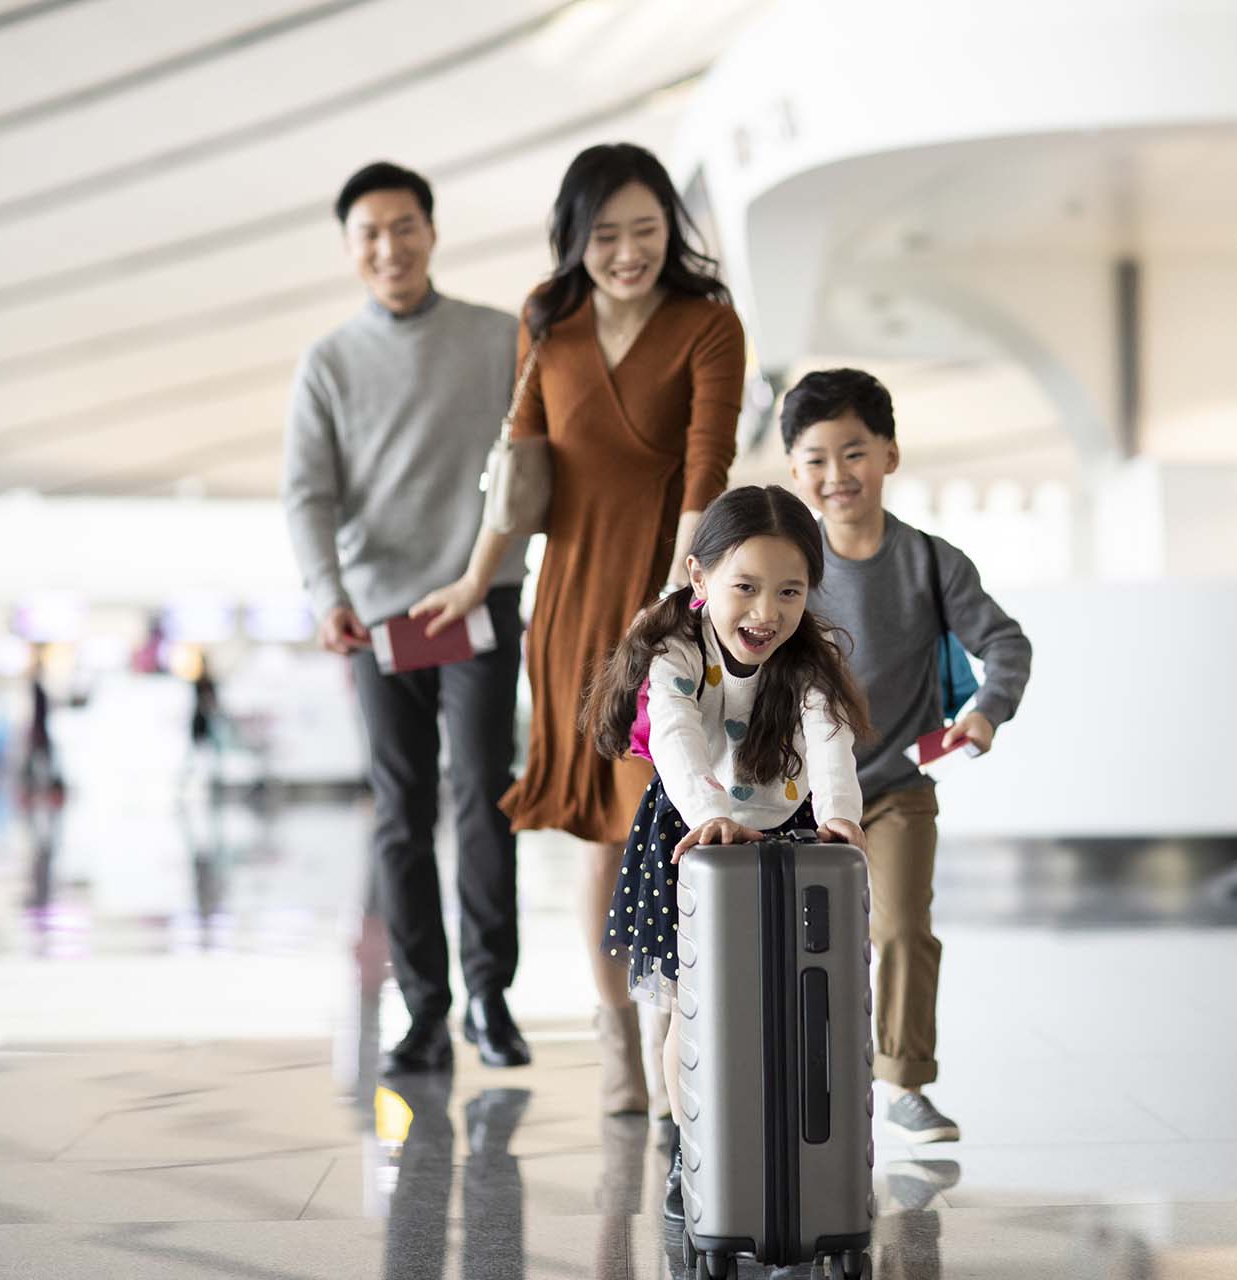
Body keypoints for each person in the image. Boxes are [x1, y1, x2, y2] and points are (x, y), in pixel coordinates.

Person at [412, 142, 745, 1114]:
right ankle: (615, 1034)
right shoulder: (545, 319)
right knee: (602, 828)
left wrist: (679, 599)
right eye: (606, 235)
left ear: (670, 233)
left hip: (666, 599)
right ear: (575, 239)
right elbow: (518, 466)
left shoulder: (707, 323)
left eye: (647, 231)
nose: (629, 252)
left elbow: (705, 467)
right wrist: (477, 577)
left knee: (669, 810)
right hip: (567, 606)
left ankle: (675, 1024)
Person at [283, 161, 531, 1074]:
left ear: (431, 230)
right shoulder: (329, 363)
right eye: (369, 234)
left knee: (482, 793)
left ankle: (491, 1000)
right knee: (401, 810)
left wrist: (492, 569)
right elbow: (307, 495)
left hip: (480, 598)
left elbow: (533, 467)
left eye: (404, 226)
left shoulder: (501, 338)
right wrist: (327, 595)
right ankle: (424, 1009)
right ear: (351, 249)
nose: (389, 247)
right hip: (380, 616)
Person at [580, 484, 871, 1219]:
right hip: (691, 835)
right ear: (699, 577)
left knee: (788, 1000)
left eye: (789, 591)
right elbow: (675, 737)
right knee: (694, 1012)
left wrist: (839, 818)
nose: (766, 613)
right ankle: (692, 1152)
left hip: (789, 834)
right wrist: (710, 814)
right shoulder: (675, 650)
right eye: (745, 587)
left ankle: (794, 1150)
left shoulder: (812, 656)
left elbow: (830, 737)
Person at [784, 368, 1032, 1145]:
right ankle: (795, 1079)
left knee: (899, 932)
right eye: (817, 459)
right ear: (794, 470)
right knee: (791, 942)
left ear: (889, 454)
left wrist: (986, 713)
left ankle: (904, 1082)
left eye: (853, 453)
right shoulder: (789, 564)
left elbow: (1005, 643)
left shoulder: (931, 562)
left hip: (894, 786)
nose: (836, 476)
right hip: (791, 793)